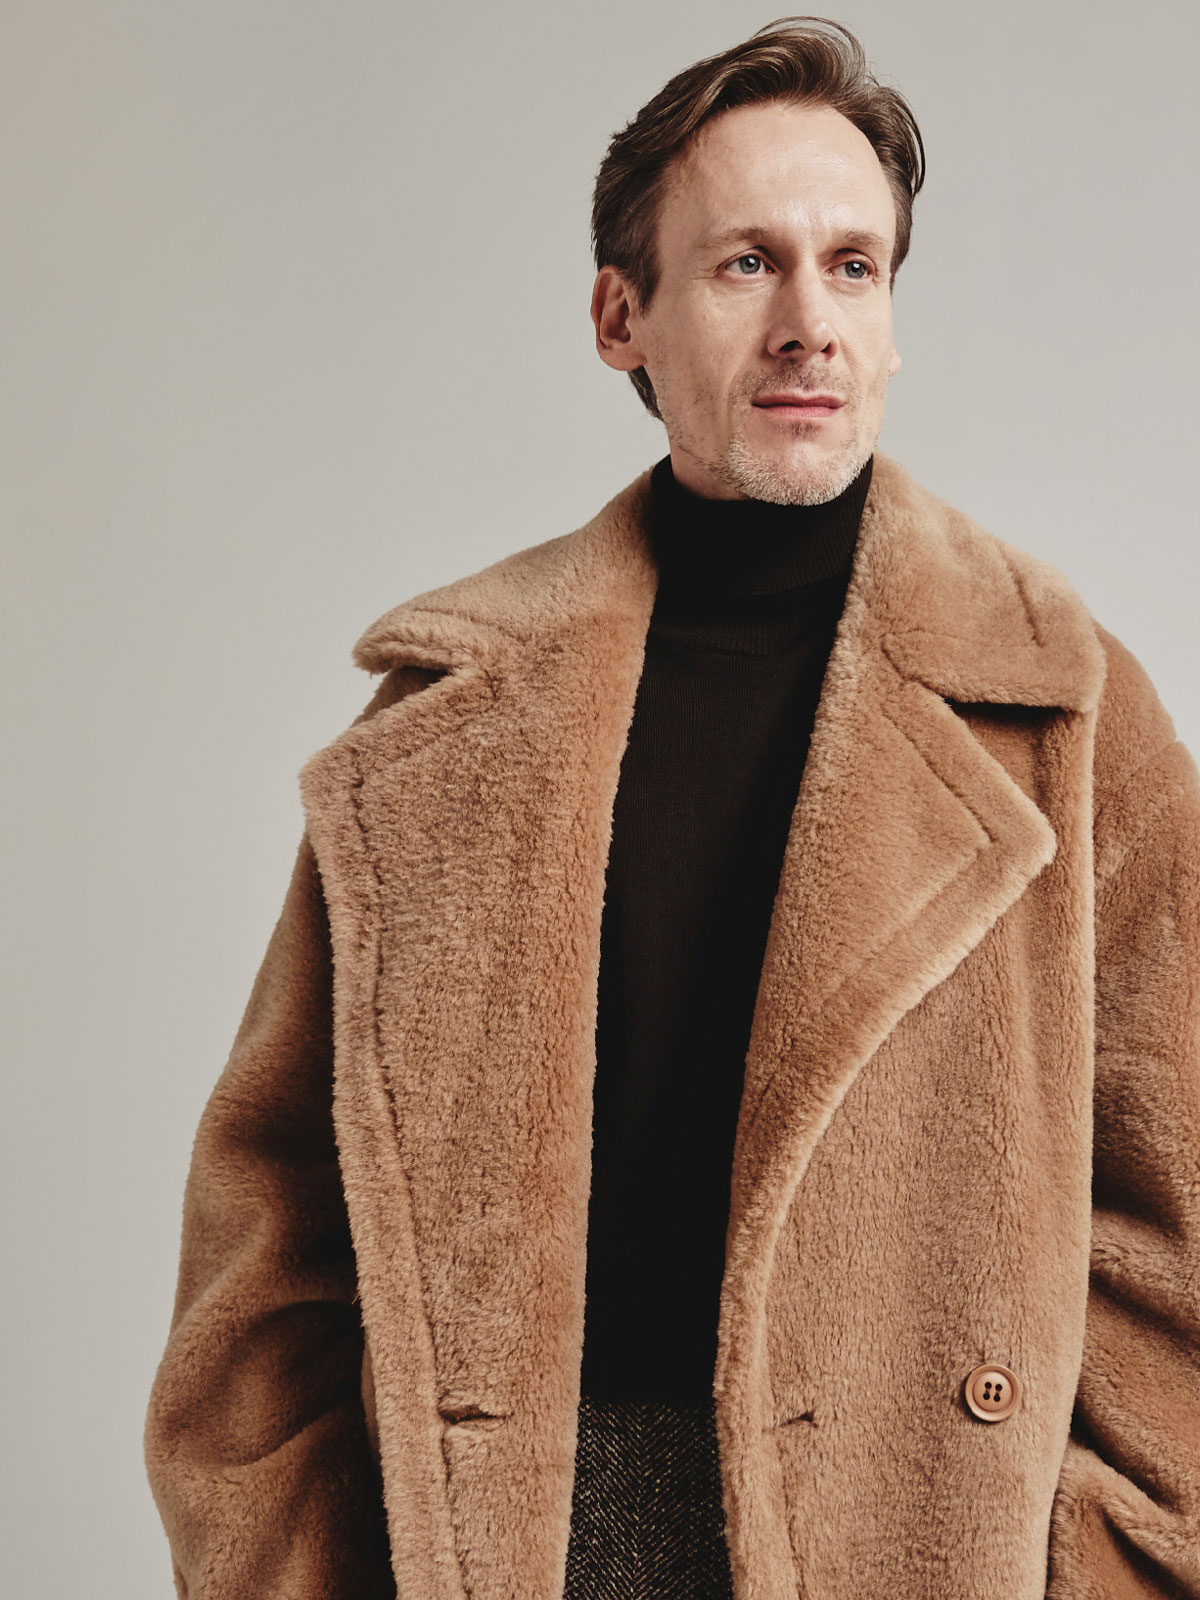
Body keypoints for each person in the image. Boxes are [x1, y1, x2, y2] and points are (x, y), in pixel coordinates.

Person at [144, 15, 1200, 1600]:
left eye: (855, 267)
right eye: (745, 265)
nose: (809, 325)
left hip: (917, 1543)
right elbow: (268, 1251)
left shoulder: (1062, 708)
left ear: (894, 322)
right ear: (619, 317)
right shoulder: (445, 724)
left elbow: (1181, 1236)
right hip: (518, 1542)